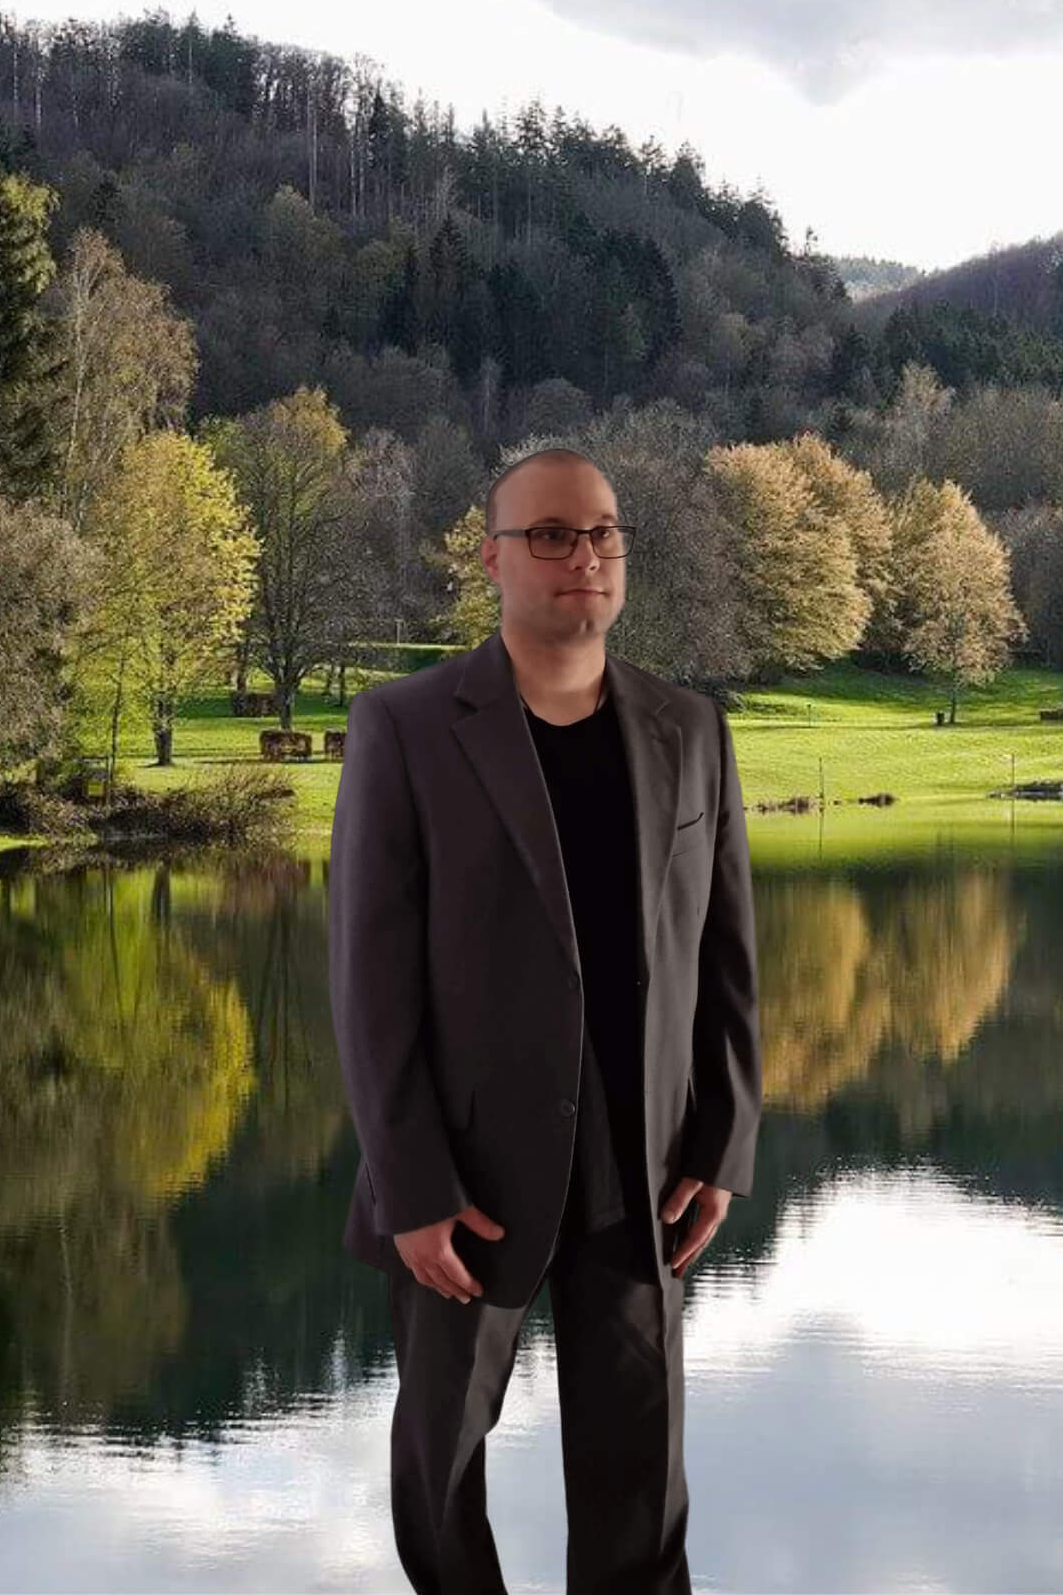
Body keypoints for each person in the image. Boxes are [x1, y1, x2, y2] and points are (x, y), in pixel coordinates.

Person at [328, 445, 761, 1593]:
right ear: (493, 559)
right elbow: (369, 984)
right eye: (554, 534)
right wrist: (410, 1184)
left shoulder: (690, 729)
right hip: (462, 1189)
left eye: (604, 532)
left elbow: (724, 959)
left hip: (641, 1178)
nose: (587, 554)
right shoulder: (407, 727)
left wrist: (720, 1143)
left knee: (641, 1496)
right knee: (441, 1473)